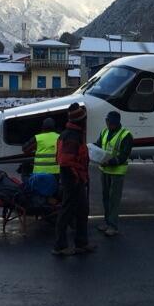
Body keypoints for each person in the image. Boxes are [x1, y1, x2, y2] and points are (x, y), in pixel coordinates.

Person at [52, 103, 96, 256]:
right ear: (80, 121)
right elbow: (66, 162)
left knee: (82, 211)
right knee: (66, 211)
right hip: (73, 180)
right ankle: (60, 246)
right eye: (84, 119)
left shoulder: (74, 134)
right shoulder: (71, 136)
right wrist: (77, 178)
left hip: (77, 179)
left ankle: (81, 243)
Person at [95, 111, 133, 237]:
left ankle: (113, 226)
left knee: (114, 199)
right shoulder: (104, 132)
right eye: (107, 121)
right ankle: (107, 222)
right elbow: (99, 145)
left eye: (109, 122)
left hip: (117, 171)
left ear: (116, 123)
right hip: (104, 170)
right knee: (105, 198)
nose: (107, 124)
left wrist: (110, 162)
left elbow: (123, 155)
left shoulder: (126, 135)